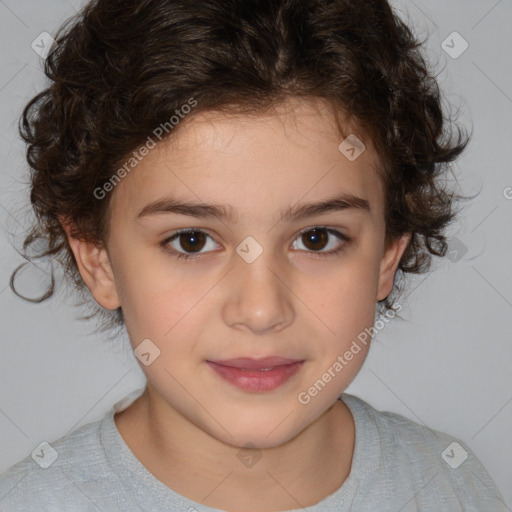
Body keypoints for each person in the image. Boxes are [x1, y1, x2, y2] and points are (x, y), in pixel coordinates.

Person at [0, 0, 509, 510]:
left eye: (317, 238)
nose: (262, 310)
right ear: (98, 260)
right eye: (192, 241)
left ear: (386, 256)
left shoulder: (451, 485)